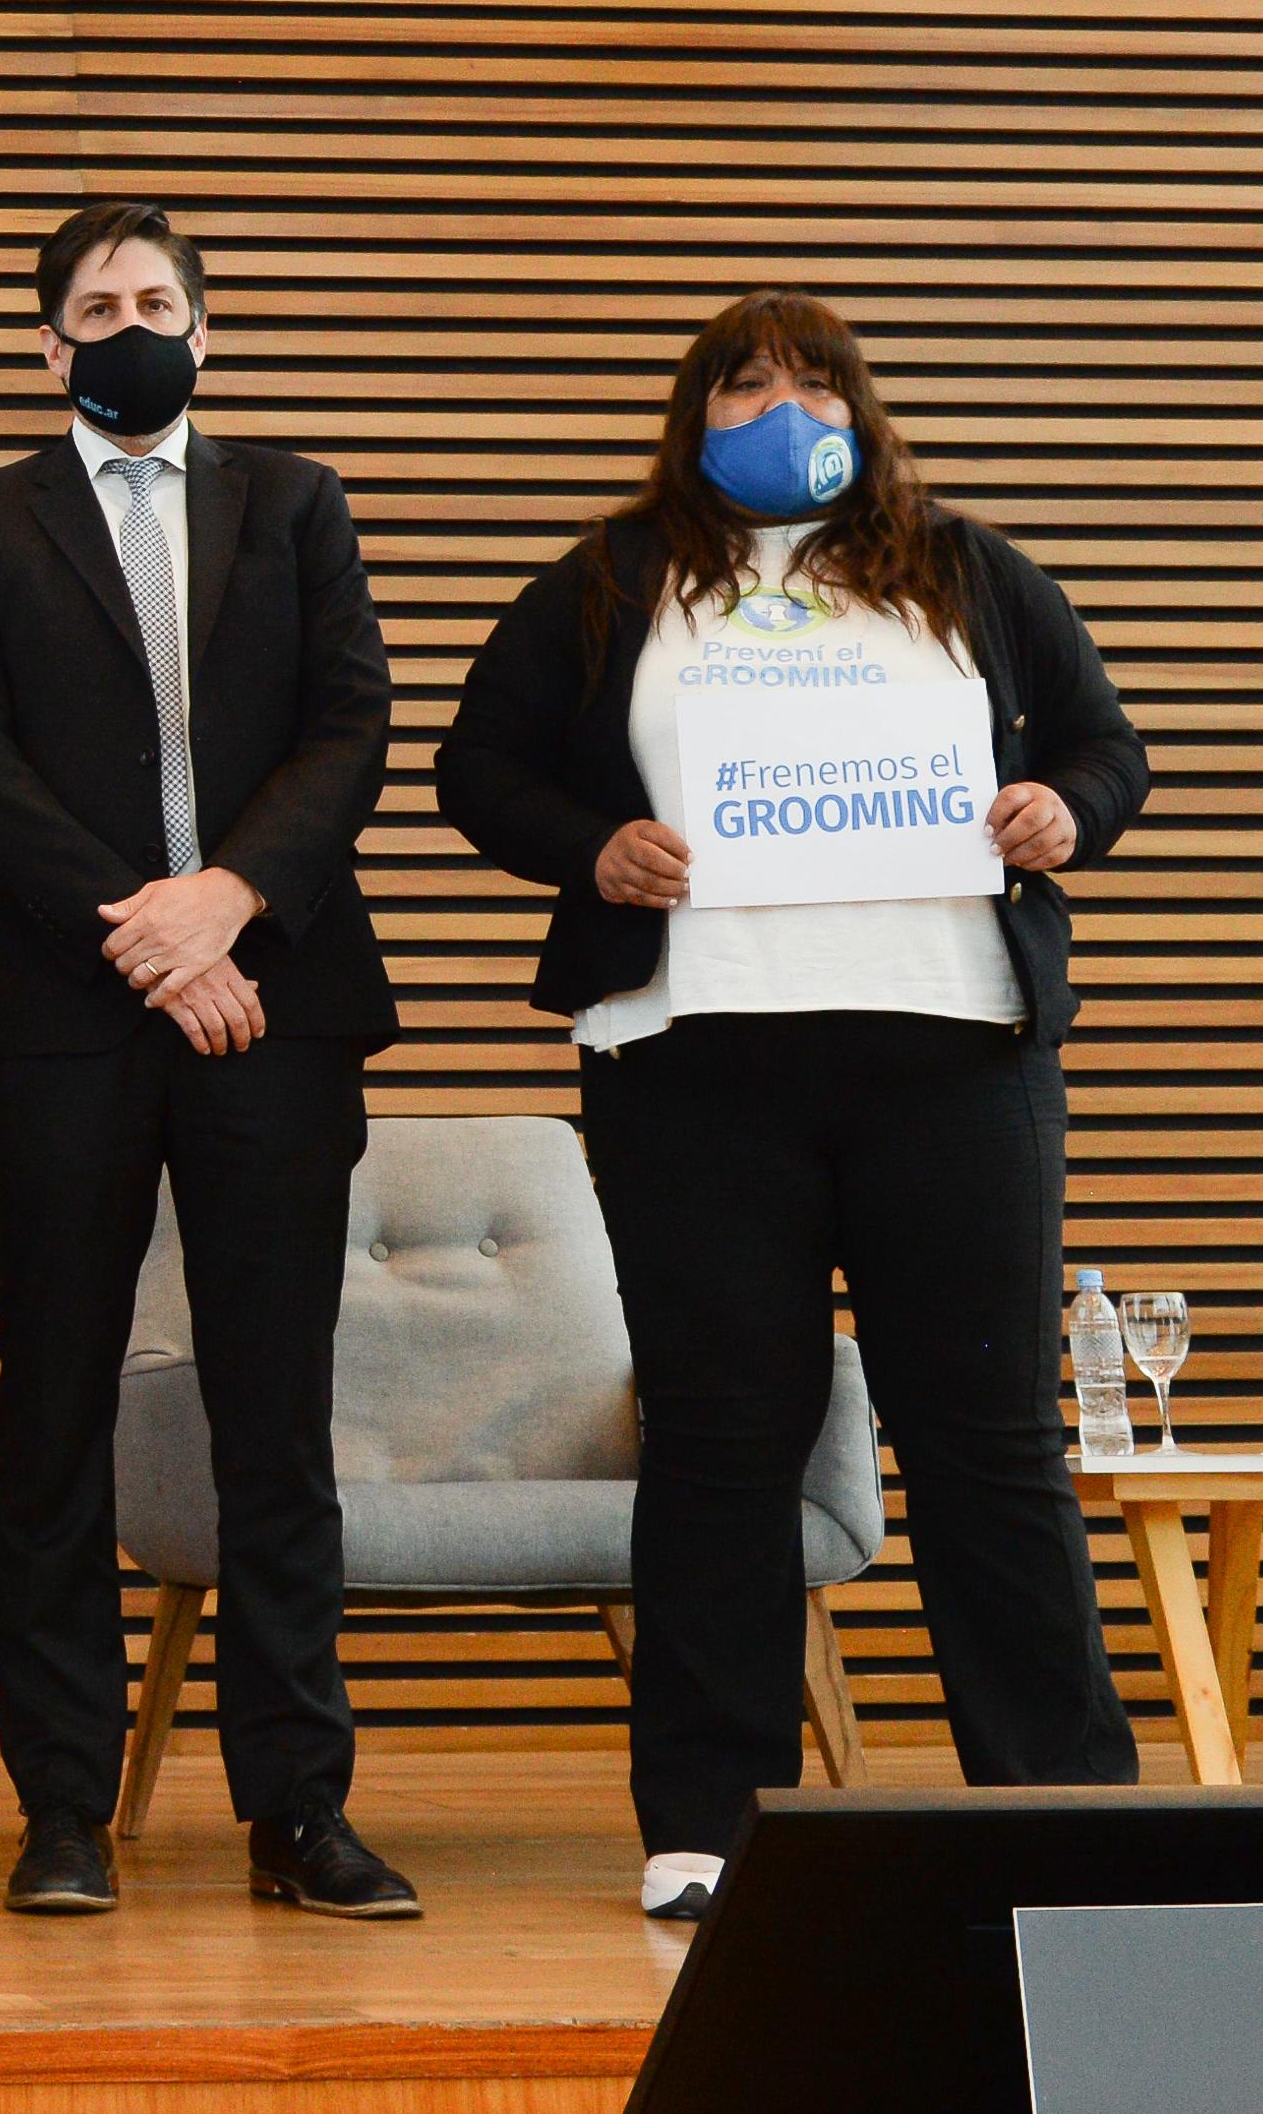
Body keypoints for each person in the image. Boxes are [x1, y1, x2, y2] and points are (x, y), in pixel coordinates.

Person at [438, 289, 1142, 1922]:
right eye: (740, 383)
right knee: (719, 1440)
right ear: (691, 417)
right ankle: (708, 1821)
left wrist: (1063, 811)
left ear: (860, 405)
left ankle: (1061, 1812)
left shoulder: (965, 570)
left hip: (956, 1054)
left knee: (992, 1447)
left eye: (807, 380)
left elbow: (1110, 752)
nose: (775, 406)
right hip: (695, 1063)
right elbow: (478, 762)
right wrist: (590, 846)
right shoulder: (615, 579)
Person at [0, 201, 414, 1922]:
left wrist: (229, 900)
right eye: (94, 306)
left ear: (208, 327)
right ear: (45, 345)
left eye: (158, 300)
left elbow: (355, 721)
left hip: (278, 998)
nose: (130, 325)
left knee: (277, 1418)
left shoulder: (295, 498)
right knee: (51, 1411)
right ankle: (64, 1809)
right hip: (65, 1012)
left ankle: (301, 1808)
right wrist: (145, 933)